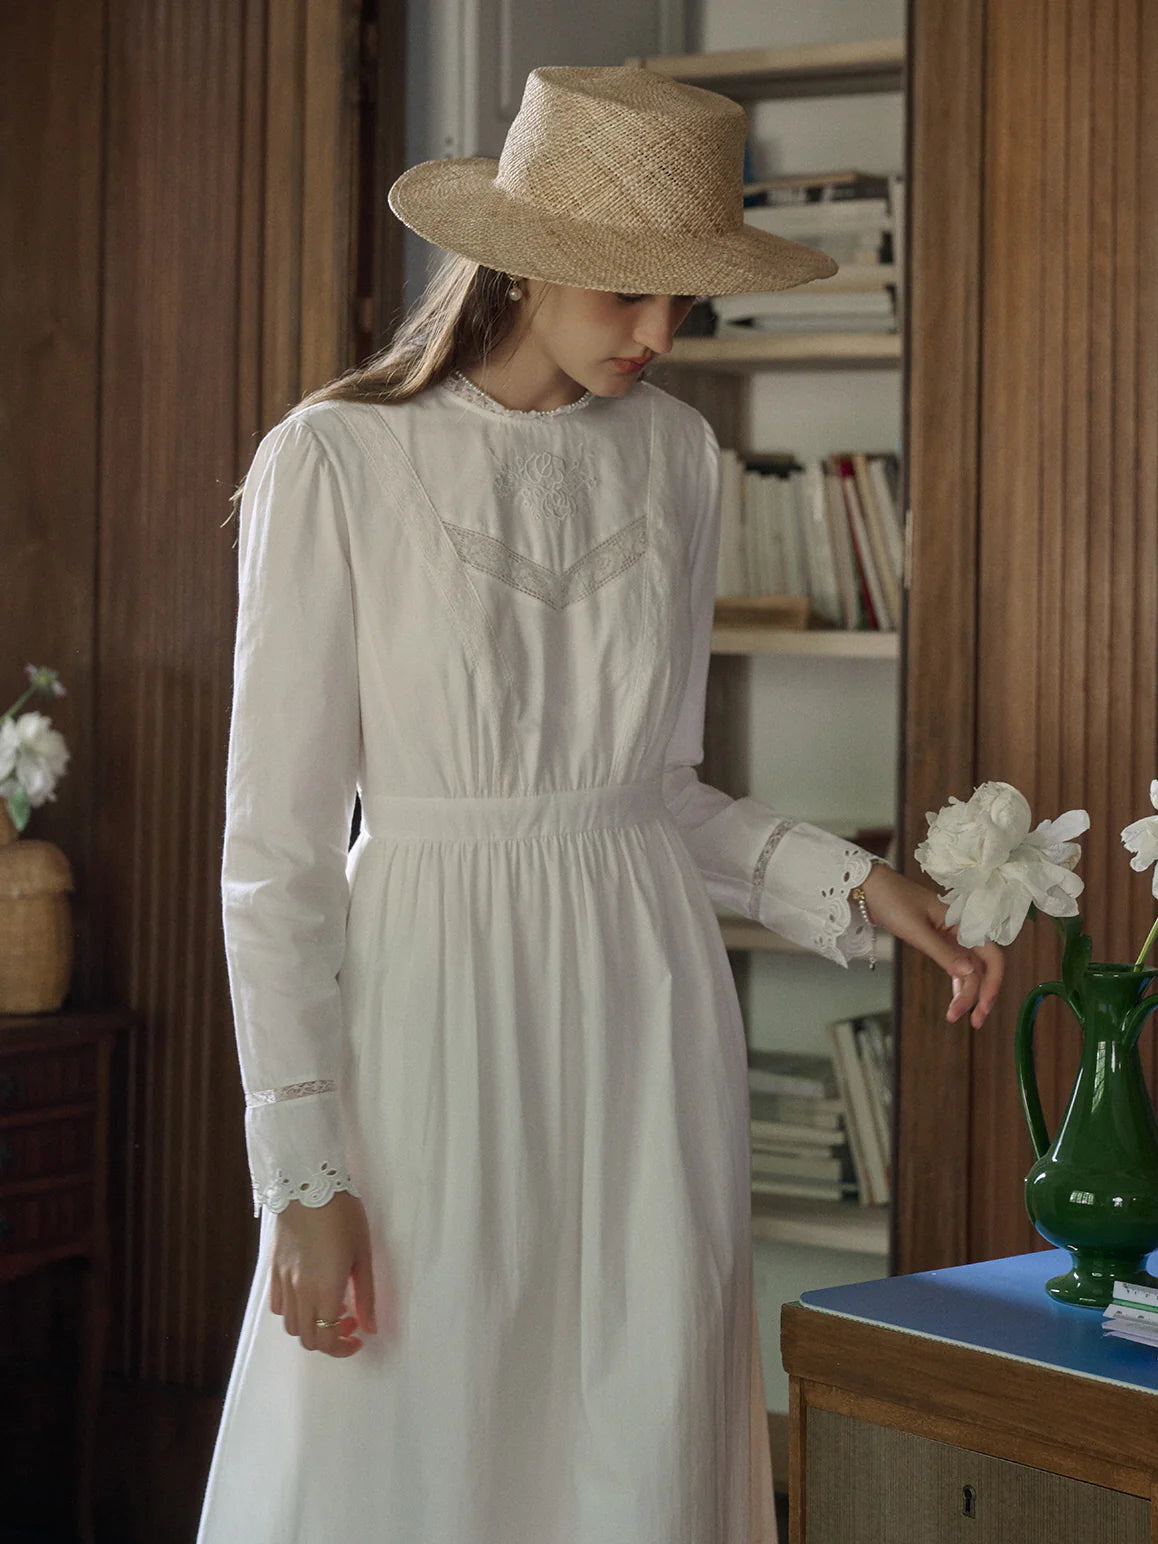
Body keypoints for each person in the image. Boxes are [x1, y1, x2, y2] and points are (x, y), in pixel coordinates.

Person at [196, 63, 1003, 1544]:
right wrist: (301, 1178)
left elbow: (652, 792)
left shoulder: (679, 458)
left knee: (630, 1427)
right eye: (630, 292)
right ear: (519, 258)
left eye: (683, 302)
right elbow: (276, 854)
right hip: (428, 1019)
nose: (657, 335)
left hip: (642, 1018)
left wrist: (851, 882)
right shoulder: (338, 459)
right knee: (417, 1428)